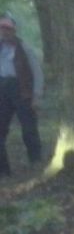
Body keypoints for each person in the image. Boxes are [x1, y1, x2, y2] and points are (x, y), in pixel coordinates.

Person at [0, 12, 44, 177]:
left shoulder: (24, 48)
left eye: (8, 29)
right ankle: (4, 170)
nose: (5, 32)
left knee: (29, 128)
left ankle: (35, 162)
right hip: (2, 90)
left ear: (14, 30)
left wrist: (36, 94)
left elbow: (37, 72)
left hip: (21, 90)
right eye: (2, 28)